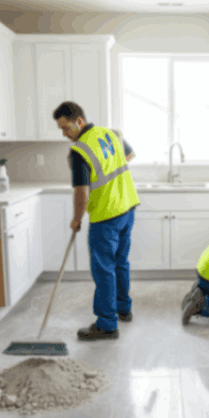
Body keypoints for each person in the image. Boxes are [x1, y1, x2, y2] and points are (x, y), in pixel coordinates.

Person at [53, 101, 139, 340]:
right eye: (61, 130)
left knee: (104, 270)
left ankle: (106, 323)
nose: (65, 134)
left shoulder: (80, 151)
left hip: (106, 216)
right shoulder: (112, 134)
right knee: (120, 262)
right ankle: (124, 308)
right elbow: (129, 154)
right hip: (128, 206)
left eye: (66, 128)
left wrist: (76, 219)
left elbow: (81, 192)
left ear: (79, 121)